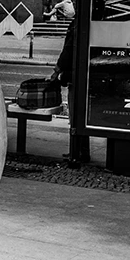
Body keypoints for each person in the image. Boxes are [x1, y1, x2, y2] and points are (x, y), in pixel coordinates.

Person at [50, 19, 90, 166]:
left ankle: (77, 152)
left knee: (75, 117)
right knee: (81, 117)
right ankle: (81, 151)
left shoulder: (77, 23)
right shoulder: (81, 21)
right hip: (81, 74)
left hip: (75, 76)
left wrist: (57, 70)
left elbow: (68, 49)